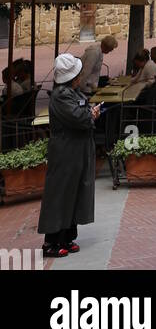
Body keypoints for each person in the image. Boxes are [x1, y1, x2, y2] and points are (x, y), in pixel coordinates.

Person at [37, 54, 100, 258]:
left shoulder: (71, 92)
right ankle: (51, 241)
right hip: (66, 151)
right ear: (72, 77)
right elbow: (78, 117)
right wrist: (90, 115)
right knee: (60, 193)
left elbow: (81, 111)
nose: (80, 77)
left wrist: (89, 113)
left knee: (74, 191)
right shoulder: (61, 95)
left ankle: (66, 236)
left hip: (75, 150)